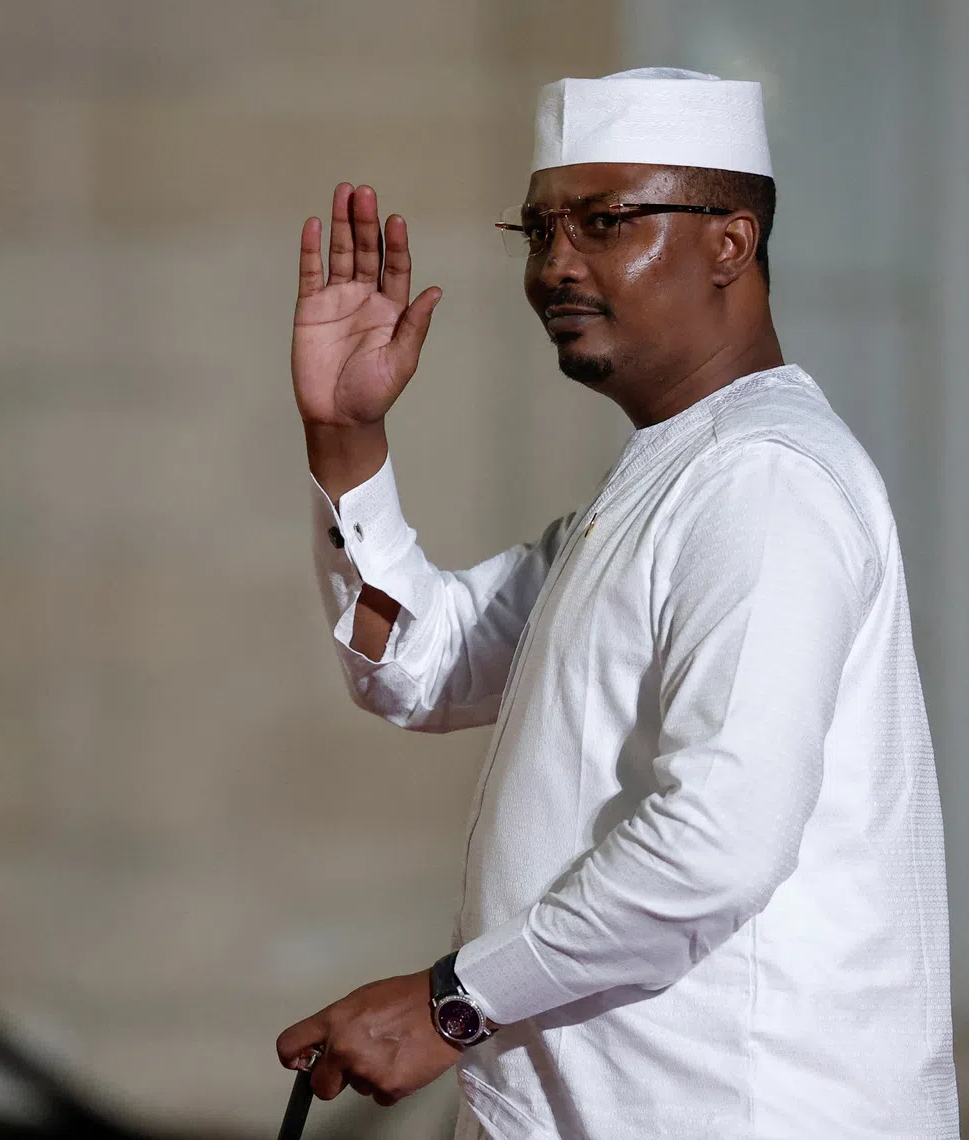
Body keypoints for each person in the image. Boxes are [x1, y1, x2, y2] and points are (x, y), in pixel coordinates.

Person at [275, 68, 959, 1139]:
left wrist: (453, 1003)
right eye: (539, 230)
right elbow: (424, 667)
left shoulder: (763, 480)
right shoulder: (673, 478)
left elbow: (717, 841)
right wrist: (345, 437)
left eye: (603, 223)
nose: (556, 265)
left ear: (730, 242)